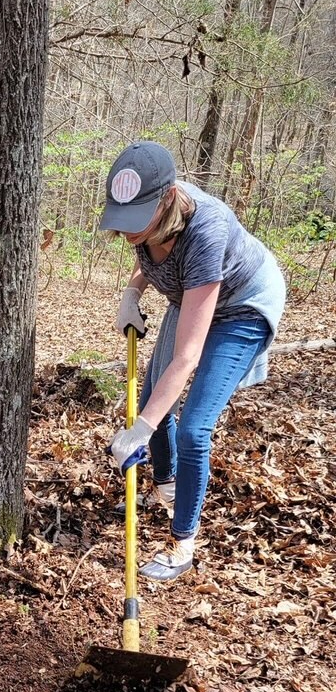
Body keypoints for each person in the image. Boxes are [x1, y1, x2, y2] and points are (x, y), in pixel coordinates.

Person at [100, 140, 286, 581]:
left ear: (166, 200)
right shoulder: (144, 216)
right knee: (153, 401)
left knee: (194, 427)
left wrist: (139, 430)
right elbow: (153, 261)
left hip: (242, 306)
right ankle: (169, 490)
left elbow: (187, 357)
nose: (128, 231)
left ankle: (183, 543)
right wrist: (132, 293)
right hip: (192, 297)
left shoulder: (207, 229)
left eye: (136, 220)